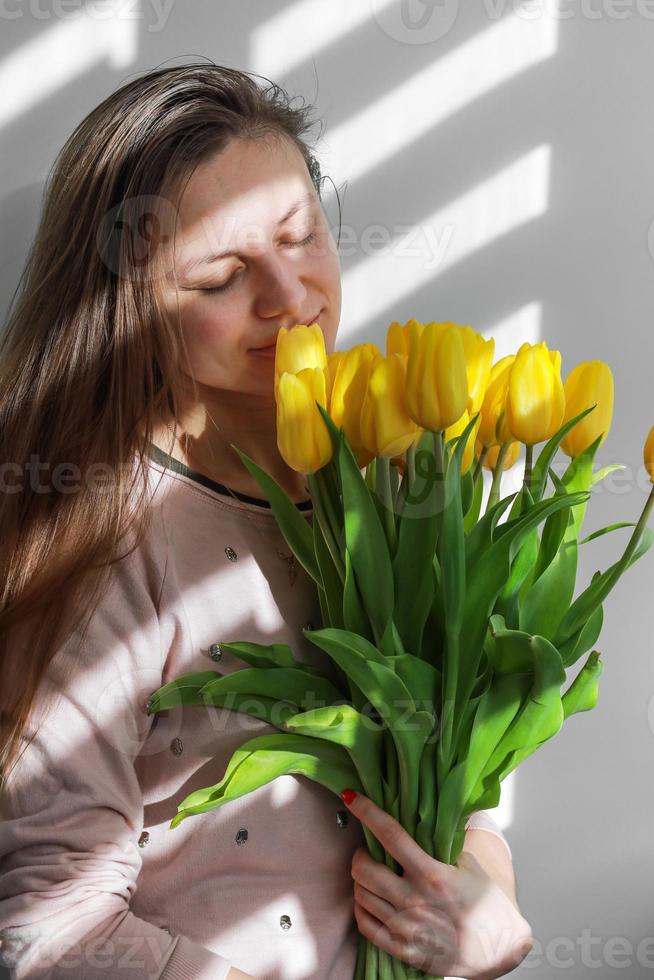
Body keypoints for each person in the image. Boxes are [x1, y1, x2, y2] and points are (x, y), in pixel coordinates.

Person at [0, 63, 533, 979]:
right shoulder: (97, 545)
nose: (292, 298)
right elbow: (46, 927)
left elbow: (466, 780)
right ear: (127, 311)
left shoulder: (405, 472)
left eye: (302, 236)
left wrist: (485, 910)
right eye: (221, 275)